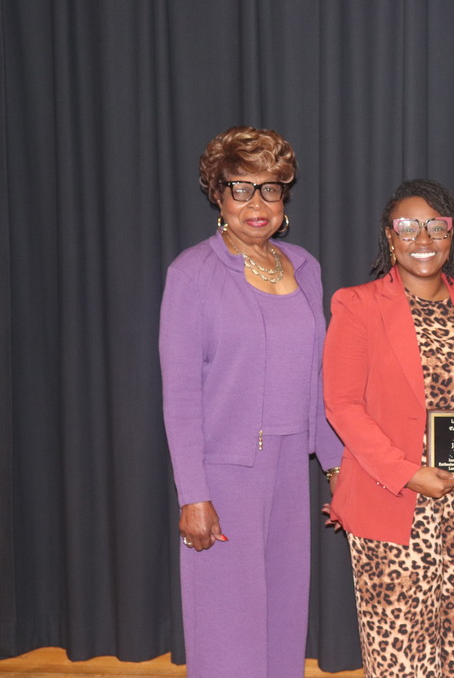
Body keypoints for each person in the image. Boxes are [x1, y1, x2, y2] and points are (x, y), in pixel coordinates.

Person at [159, 126, 343, 677]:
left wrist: (336, 466)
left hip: (292, 464)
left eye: (270, 188)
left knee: (284, 617)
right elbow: (180, 393)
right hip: (226, 471)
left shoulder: (304, 267)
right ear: (217, 196)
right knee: (226, 626)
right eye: (240, 188)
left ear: (285, 197)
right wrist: (193, 493)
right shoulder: (191, 274)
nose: (256, 204)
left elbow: (319, 376)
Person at [322, 179, 454, 677]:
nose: (422, 238)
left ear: (453, 234)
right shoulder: (357, 304)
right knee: (401, 653)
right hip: (392, 499)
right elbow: (342, 405)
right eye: (408, 227)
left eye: (436, 226)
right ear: (390, 235)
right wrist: (408, 473)